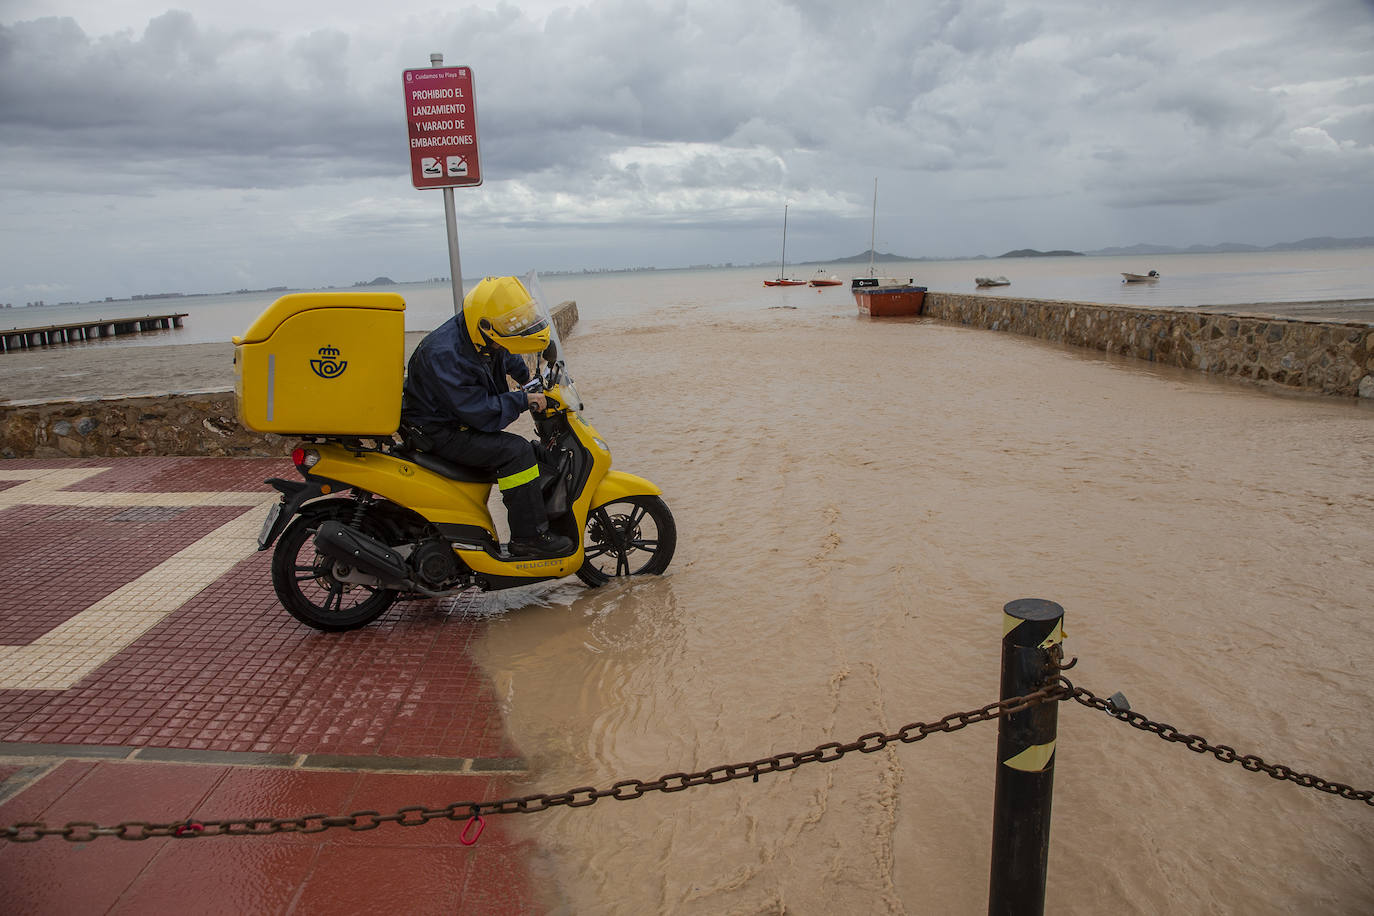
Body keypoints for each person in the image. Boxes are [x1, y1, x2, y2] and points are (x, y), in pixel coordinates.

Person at [400, 276, 574, 558]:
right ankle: (528, 538)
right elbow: (479, 412)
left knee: (537, 453)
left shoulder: (483, 334)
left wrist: (529, 380)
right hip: (438, 431)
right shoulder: (445, 353)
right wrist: (522, 399)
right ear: (484, 325)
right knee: (516, 453)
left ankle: (540, 519)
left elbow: (507, 353)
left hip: (454, 421)